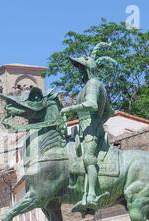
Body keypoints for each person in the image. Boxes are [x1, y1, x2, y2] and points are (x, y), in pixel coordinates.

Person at [60, 42, 116, 211]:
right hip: (84, 128)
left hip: (91, 130)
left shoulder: (93, 84)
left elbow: (92, 104)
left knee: (88, 158)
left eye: (81, 69)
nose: (79, 72)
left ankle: (91, 195)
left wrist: (70, 109)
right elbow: (110, 111)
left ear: (88, 70)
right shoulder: (91, 86)